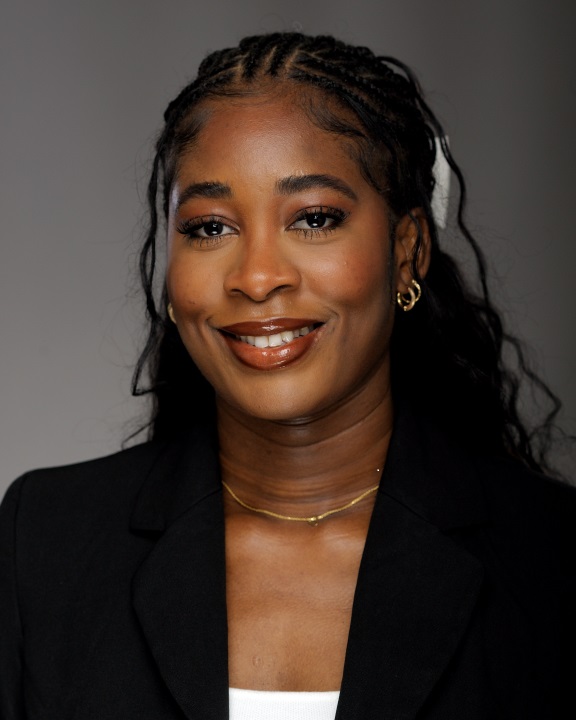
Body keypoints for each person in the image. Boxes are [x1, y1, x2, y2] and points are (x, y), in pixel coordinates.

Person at [1, 32, 575, 720]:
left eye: (314, 218)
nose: (256, 277)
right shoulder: (44, 543)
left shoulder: (552, 555)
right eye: (210, 228)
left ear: (408, 250)